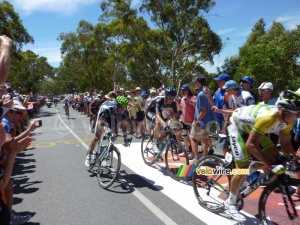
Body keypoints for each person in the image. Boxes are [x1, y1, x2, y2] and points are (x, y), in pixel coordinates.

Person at [225, 90, 300, 222]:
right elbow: (251, 145)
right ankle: (230, 203)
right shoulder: (268, 118)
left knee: (278, 159)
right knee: (242, 167)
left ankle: (252, 168)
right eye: (297, 113)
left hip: (252, 128)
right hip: (237, 127)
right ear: (283, 110)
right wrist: (271, 165)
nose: (298, 116)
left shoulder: (288, 120)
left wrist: (295, 163)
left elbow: (286, 143)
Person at [85, 96, 130, 167]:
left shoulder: (123, 112)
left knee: (115, 134)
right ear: (117, 106)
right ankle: (89, 155)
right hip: (104, 115)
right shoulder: (108, 109)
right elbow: (100, 123)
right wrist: (103, 132)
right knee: (97, 137)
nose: (123, 110)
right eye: (122, 108)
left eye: (124, 108)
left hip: (112, 117)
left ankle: (106, 149)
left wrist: (125, 139)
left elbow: (124, 125)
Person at [146, 86, 179, 153]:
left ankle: (159, 142)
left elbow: (176, 116)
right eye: (170, 97)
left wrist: (177, 125)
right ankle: (154, 144)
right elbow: (157, 115)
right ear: (166, 96)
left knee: (167, 129)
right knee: (158, 123)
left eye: (173, 98)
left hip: (160, 112)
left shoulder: (173, 103)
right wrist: (164, 124)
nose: (171, 100)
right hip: (150, 112)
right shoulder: (159, 100)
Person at [191, 75, 214, 163]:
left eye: (196, 82)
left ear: (199, 83)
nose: (195, 84)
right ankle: (205, 157)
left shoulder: (200, 95)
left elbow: (204, 111)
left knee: (193, 139)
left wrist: (196, 121)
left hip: (200, 121)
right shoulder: (208, 92)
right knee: (204, 139)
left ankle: (196, 158)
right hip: (208, 121)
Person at [176, 84, 196, 159]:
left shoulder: (193, 97)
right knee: (185, 137)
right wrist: (178, 102)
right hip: (184, 121)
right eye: (181, 90)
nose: (182, 91)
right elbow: (181, 109)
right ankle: (187, 151)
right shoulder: (182, 98)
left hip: (192, 121)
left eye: (184, 90)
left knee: (192, 138)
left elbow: (196, 106)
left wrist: (189, 101)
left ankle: (193, 153)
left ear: (188, 90)